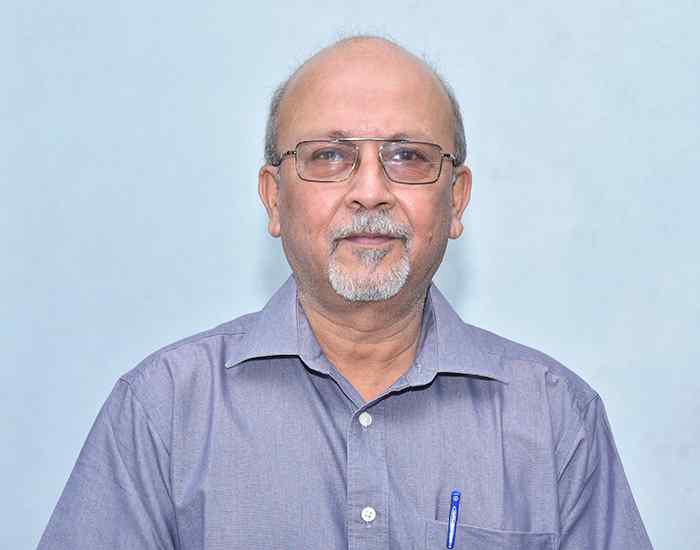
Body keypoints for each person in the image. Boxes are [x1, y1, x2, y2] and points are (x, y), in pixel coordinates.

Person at [38, 36, 653, 549]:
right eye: (330, 156)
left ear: (457, 199)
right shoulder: (164, 411)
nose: (370, 191)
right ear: (274, 198)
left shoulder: (554, 419)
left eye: (407, 156)